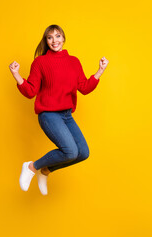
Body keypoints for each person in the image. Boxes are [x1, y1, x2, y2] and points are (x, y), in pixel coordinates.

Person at [9, 24, 109, 195]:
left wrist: (100, 70)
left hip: (66, 115)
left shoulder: (73, 61)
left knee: (83, 153)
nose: (54, 40)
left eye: (57, 36)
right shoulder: (40, 62)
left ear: (63, 38)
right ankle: (32, 167)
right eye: (50, 37)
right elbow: (31, 91)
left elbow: (84, 87)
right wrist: (16, 74)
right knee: (70, 151)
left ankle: (46, 171)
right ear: (46, 41)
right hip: (48, 114)